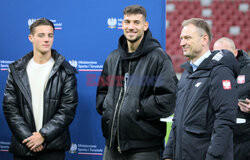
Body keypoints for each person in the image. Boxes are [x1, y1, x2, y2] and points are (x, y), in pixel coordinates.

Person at [96, 5, 178, 160]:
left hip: (145, 148)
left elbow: (168, 99)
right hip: (112, 145)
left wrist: (137, 109)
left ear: (145, 26)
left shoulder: (158, 57)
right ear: (122, 24)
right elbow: (102, 92)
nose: (131, 27)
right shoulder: (113, 58)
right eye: (127, 22)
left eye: (136, 22)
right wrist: (108, 109)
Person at [163, 18, 240, 160]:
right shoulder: (186, 73)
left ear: (204, 39)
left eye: (187, 38)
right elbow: (177, 120)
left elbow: (225, 119)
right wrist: (168, 154)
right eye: (181, 38)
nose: (181, 43)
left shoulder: (220, 71)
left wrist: (213, 156)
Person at [2, 18, 78, 160]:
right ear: (31, 38)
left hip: (53, 147)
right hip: (24, 146)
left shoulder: (65, 71)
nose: (46, 40)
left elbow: (67, 109)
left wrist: (43, 135)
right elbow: (10, 108)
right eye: (41, 35)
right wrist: (30, 138)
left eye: (50, 35)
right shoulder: (16, 70)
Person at [213, 37, 250, 160]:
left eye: (224, 52)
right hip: (219, 137)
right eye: (216, 53)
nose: (220, 56)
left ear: (235, 53)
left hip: (244, 139)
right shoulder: (212, 72)